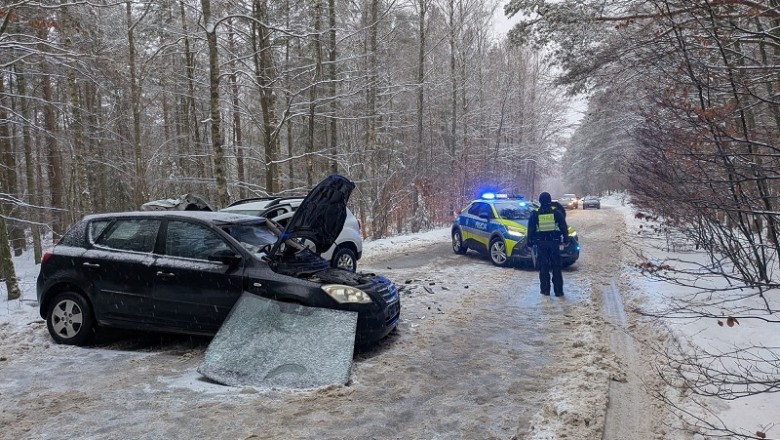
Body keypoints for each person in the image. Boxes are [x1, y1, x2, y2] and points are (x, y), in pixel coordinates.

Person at [527, 192, 569, 296]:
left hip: (541, 244)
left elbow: (531, 229)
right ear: (550, 200)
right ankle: (558, 291)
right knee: (556, 267)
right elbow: (563, 227)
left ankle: (545, 290)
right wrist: (566, 240)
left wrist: (529, 243)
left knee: (544, 267)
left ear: (540, 201)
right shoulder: (556, 212)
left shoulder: (536, 213)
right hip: (554, 243)